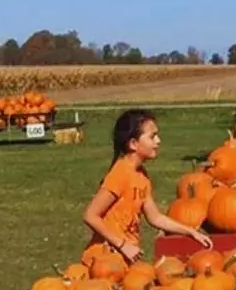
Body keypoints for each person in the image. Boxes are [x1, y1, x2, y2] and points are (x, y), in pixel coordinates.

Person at [82, 109, 212, 265]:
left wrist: (191, 232)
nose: (158, 141)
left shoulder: (141, 176)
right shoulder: (120, 174)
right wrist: (123, 245)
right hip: (105, 260)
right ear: (133, 144)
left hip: (125, 259)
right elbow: (90, 215)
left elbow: (155, 217)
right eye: (152, 136)